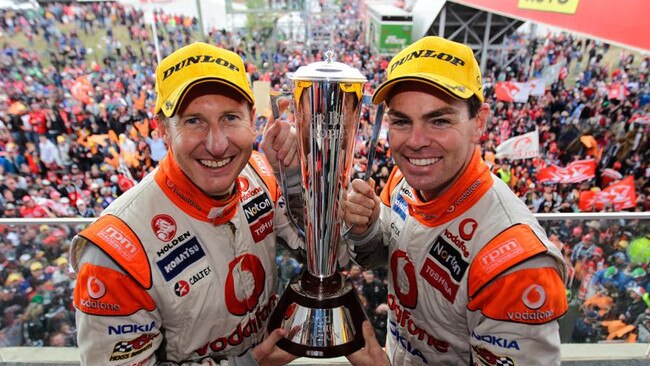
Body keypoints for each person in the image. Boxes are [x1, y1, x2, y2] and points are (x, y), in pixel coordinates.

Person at [70, 42, 306, 365]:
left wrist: (295, 179)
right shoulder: (116, 254)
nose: (217, 144)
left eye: (230, 118)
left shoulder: (262, 173)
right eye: (194, 121)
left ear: (252, 119)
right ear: (163, 130)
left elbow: (325, 254)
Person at [343, 36, 568, 365]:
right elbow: (384, 254)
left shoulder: (515, 264)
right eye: (401, 121)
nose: (416, 142)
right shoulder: (402, 181)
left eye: (440, 120)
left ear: (480, 122)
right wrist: (367, 225)